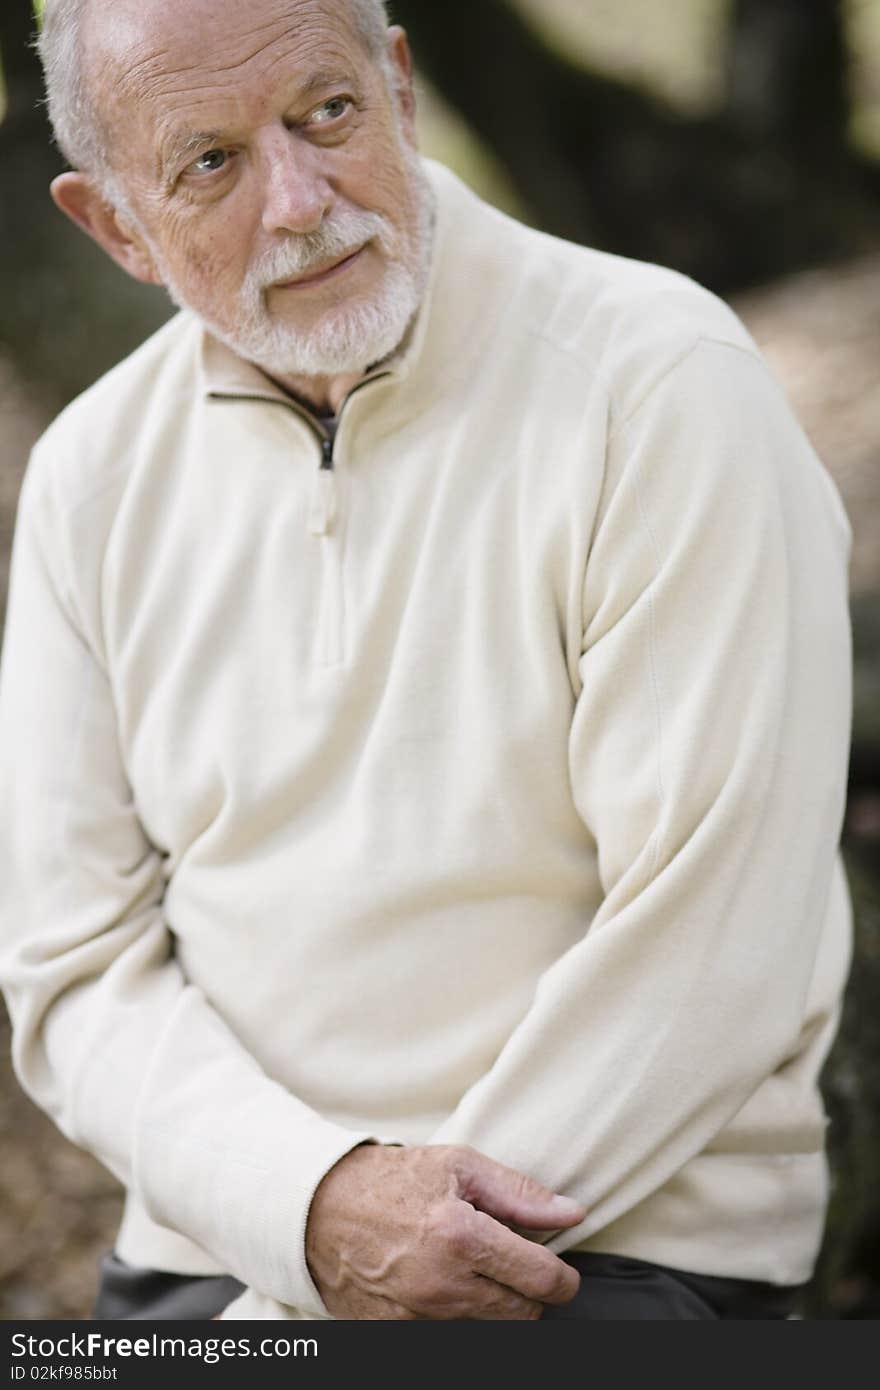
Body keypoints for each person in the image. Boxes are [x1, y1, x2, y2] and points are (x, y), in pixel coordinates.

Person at [0, 0, 853, 1322]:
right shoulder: (88, 480)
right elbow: (70, 966)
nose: (298, 201)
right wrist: (309, 1210)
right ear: (117, 228)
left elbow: (710, 942)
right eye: (209, 163)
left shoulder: (662, 384)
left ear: (398, 88)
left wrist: (342, 1290)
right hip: (220, 1254)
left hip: (607, 1246)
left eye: (325, 113)